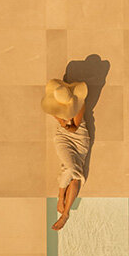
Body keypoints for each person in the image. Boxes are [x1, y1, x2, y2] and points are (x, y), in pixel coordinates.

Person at [41, 79, 90, 231]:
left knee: (75, 176)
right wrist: (62, 122)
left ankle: (64, 207)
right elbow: (61, 123)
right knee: (72, 170)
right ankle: (63, 204)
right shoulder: (55, 104)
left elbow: (74, 128)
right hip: (63, 137)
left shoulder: (79, 105)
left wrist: (65, 123)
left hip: (79, 138)